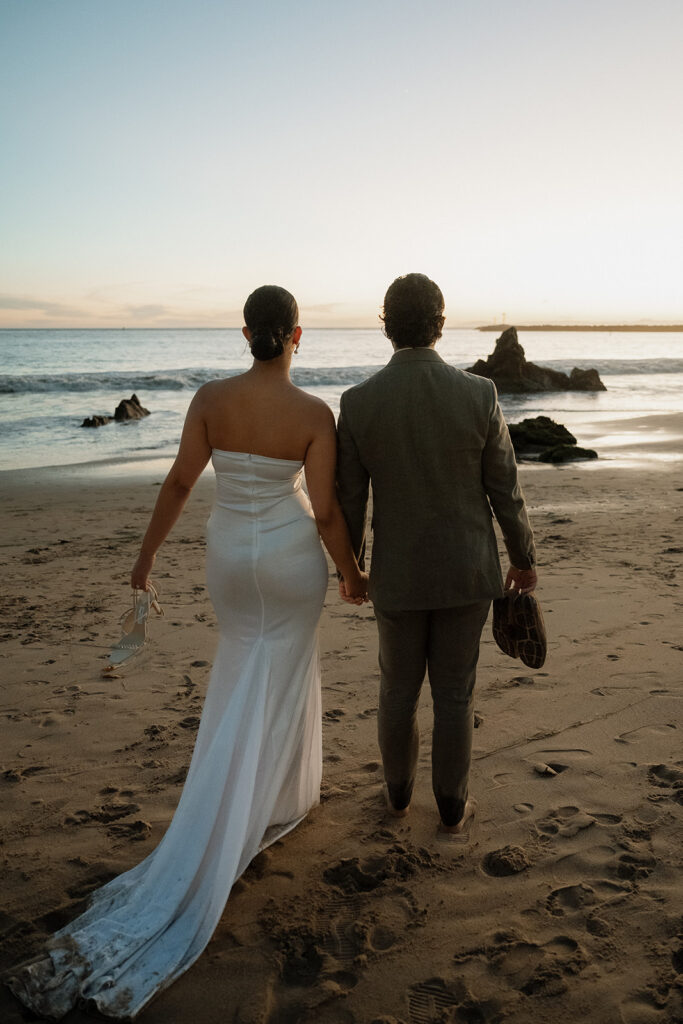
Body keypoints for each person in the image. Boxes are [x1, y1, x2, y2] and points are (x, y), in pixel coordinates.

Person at [7, 285, 368, 1020]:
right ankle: (274, 797)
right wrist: (351, 572)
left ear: (245, 333)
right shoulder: (312, 415)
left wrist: (145, 560)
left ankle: (256, 795)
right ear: (298, 335)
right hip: (292, 556)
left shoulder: (208, 397)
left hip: (230, 554)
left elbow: (178, 482)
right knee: (287, 668)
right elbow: (326, 509)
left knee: (242, 661)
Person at [336, 273, 536, 840]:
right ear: (440, 325)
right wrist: (522, 557)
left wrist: (350, 569)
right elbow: (505, 488)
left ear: (386, 328)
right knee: (455, 693)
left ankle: (397, 796)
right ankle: (451, 805)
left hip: (396, 579)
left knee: (396, 690)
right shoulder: (479, 394)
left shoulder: (358, 403)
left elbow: (349, 499)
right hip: (467, 572)